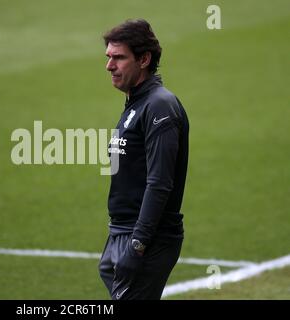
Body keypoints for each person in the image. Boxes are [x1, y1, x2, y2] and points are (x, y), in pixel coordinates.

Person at [99, 19, 189, 300]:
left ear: (144, 59)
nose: (110, 66)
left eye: (119, 57)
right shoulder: (136, 106)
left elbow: (160, 181)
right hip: (123, 232)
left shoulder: (159, 105)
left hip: (146, 238)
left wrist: (137, 244)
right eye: (108, 57)